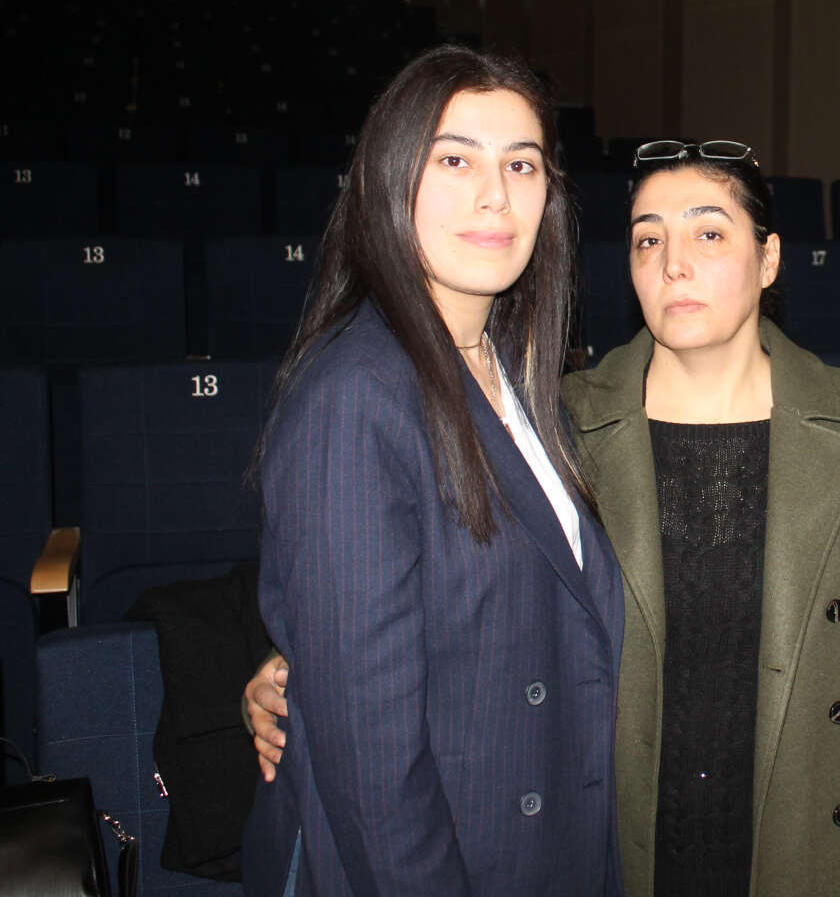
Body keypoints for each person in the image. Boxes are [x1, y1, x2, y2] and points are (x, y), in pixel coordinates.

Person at [248, 138, 840, 895]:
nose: (673, 265)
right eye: (647, 240)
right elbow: (446, 586)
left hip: (803, 842)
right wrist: (292, 668)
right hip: (618, 836)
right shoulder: (554, 425)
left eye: (708, 233)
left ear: (768, 260)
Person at [241, 44, 624, 896]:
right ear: (390, 181)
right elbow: (374, 771)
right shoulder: (355, 399)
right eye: (455, 160)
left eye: (521, 164)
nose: (496, 196)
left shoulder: (514, 373)